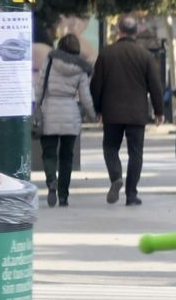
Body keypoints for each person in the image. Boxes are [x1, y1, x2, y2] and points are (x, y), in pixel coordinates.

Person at [89, 14, 164, 205]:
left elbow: (96, 85)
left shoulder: (106, 53)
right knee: (136, 153)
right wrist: (159, 111)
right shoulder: (145, 56)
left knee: (110, 147)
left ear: (119, 31)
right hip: (137, 113)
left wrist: (97, 109)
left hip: (112, 112)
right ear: (136, 32)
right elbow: (155, 85)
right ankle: (131, 194)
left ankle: (116, 177)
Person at [36, 34, 96, 207]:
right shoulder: (81, 69)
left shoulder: (50, 62)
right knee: (67, 157)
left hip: (49, 112)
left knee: (49, 153)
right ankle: (63, 196)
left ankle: (51, 183)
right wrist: (92, 114)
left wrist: (37, 107)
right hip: (70, 112)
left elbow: (40, 86)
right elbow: (85, 97)